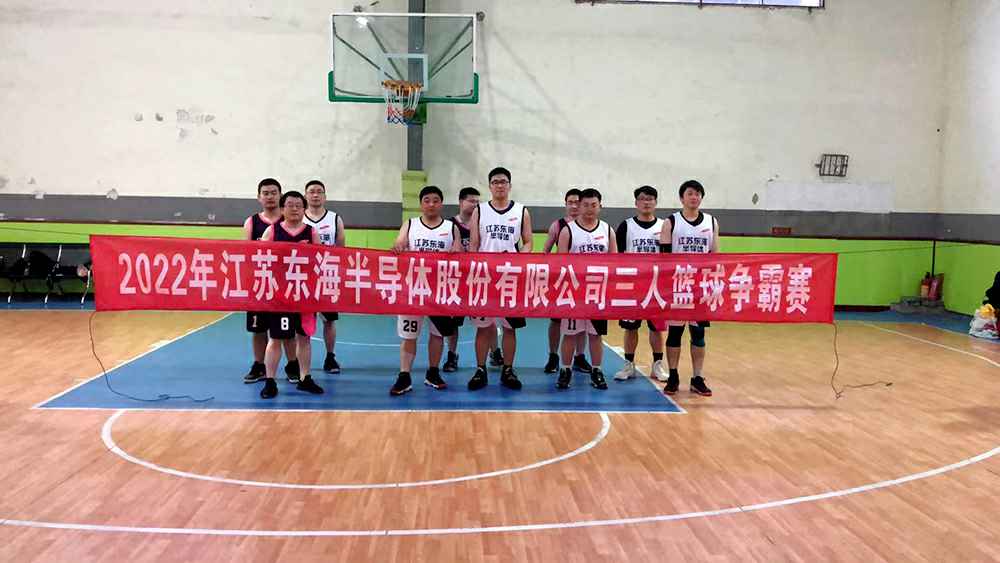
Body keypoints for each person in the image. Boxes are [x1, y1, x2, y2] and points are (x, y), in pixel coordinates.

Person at [389, 186, 462, 395]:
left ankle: (433, 372)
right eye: (427, 200)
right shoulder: (410, 224)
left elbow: (459, 252)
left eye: (436, 200)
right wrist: (398, 246)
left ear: (441, 204)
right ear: (421, 204)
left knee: (437, 334)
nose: (431, 204)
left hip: (440, 290)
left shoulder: (451, 227)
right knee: (409, 335)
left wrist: (457, 251)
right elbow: (399, 242)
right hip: (413, 289)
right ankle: (404, 376)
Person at [467, 166, 533, 391]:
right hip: (485, 277)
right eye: (495, 182)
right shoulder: (480, 210)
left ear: (510, 185)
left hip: (510, 277)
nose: (500, 185)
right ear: (490, 186)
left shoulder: (522, 211)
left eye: (503, 181)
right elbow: (474, 244)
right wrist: (475, 270)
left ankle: (508, 369)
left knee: (509, 327)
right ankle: (480, 369)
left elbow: (528, 242)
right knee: (483, 327)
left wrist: (519, 258)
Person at [258, 191, 325, 399]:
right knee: (276, 338)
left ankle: (305, 378)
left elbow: (321, 261)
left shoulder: (312, 232)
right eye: (290, 205)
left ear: (304, 209)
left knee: (304, 338)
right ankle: (270, 381)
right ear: (282, 208)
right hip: (281, 296)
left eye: (298, 205)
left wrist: (308, 254)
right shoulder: (272, 231)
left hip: (305, 295)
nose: (294, 208)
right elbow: (260, 260)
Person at [658, 179, 719, 397]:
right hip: (678, 284)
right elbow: (664, 259)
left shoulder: (711, 222)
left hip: (700, 286)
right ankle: (673, 375)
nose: (694, 197)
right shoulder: (671, 222)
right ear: (682, 198)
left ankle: (697, 377)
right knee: (675, 332)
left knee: (698, 333)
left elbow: (715, 256)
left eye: (698, 194)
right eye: (690, 193)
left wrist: (713, 285)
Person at [555, 188, 615, 390]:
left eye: (594, 205)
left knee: (596, 335)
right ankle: (565, 370)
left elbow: (615, 262)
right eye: (586, 205)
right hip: (574, 292)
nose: (589, 209)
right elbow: (560, 264)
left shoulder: (607, 230)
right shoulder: (568, 231)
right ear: (579, 206)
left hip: (598, 292)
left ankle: (597, 371)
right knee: (570, 333)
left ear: (600, 206)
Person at [242, 178, 298, 385]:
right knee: (258, 329)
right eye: (265, 193)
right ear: (259, 197)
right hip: (260, 285)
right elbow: (247, 254)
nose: (270, 196)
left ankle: (293, 365)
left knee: (287, 330)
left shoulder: (290, 221)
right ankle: (259, 366)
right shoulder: (251, 222)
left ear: (280, 195)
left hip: (285, 286)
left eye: (274, 192)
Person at [614, 186, 668, 382]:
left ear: (656, 202)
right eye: (643, 199)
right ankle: (629, 365)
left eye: (650, 199)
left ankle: (657, 365)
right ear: (636, 202)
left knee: (657, 328)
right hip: (632, 285)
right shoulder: (626, 226)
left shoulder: (664, 226)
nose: (646, 202)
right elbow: (616, 257)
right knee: (630, 327)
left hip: (656, 285)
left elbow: (669, 257)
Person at [541, 189, 591, 375]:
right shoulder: (558, 225)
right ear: (565, 204)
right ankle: (553, 356)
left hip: (584, 281)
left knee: (582, 320)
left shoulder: (592, 226)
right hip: (561, 281)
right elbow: (545, 252)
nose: (574, 206)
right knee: (556, 320)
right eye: (570, 202)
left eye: (577, 202)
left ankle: (580, 356)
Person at [303, 180, 346, 374]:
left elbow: (341, 249)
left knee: (329, 320)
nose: (315, 195)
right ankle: (300, 361)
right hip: (304, 277)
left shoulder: (335, 219)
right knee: (304, 321)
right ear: (306, 196)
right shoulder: (298, 217)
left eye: (319, 191)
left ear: (325, 196)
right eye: (311, 191)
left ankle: (330, 357)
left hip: (328, 276)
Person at [443, 186, 479, 373]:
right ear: (461, 202)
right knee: (453, 323)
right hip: (456, 281)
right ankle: (452, 355)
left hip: (478, 280)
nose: (475, 205)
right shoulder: (449, 225)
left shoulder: (481, 224)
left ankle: (495, 351)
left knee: (486, 320)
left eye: (477, 202)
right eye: (471, 201)